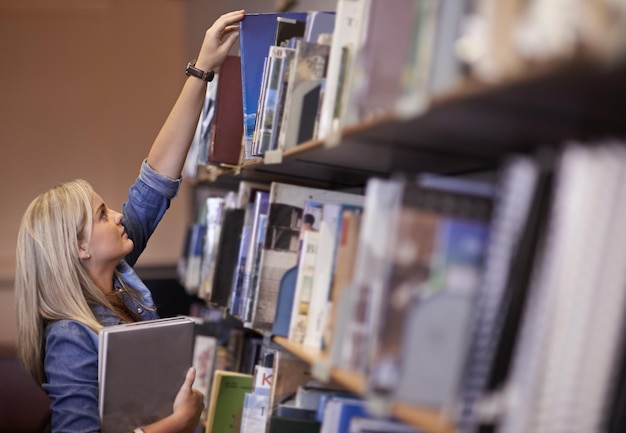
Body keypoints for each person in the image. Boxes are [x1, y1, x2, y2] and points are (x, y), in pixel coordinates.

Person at [14, 9, 245, 433]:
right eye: (102, 215)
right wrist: (179, 423)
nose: (118, 215)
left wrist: (202, 70)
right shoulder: (70, 335)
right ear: (79, 247)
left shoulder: (116, 278)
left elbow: (155, 182)